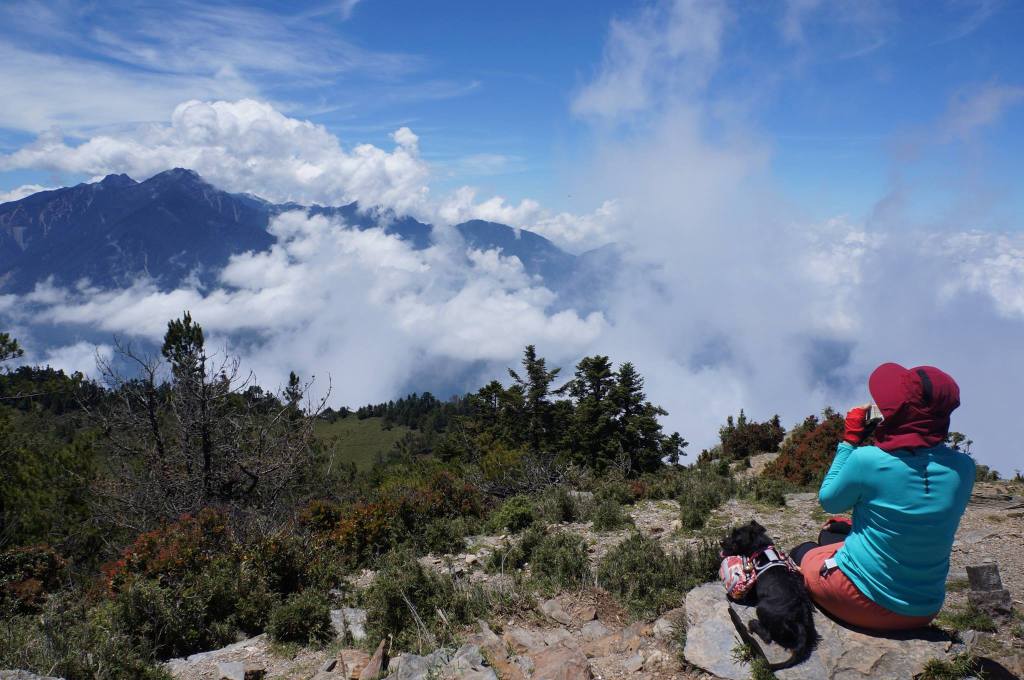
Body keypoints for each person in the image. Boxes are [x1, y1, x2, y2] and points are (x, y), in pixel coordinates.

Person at [789, 363, 975, 631]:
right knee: (833, 536)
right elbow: (915, 515)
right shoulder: (964, 468)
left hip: (860, 601)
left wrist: (850, 441)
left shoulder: (869, 460)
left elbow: (829, 500)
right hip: (924, 609)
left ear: (900, 413)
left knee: (804, 550)